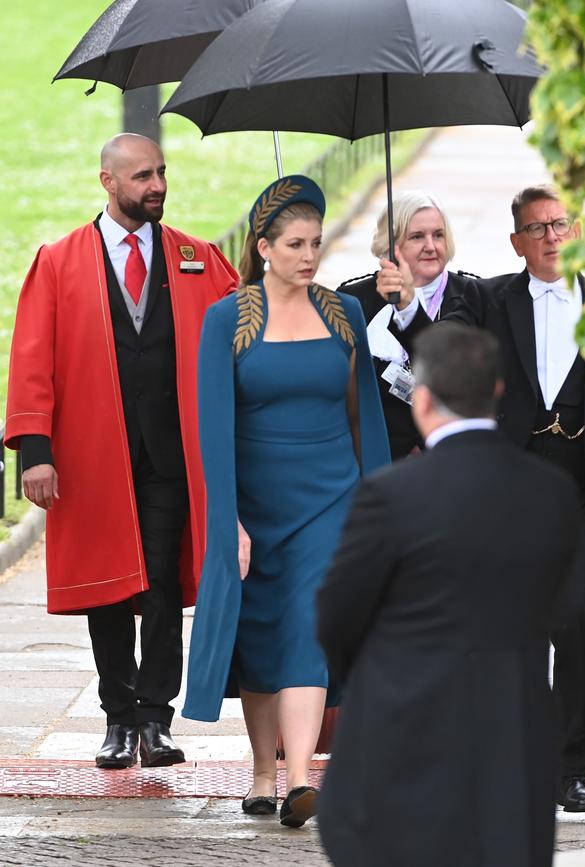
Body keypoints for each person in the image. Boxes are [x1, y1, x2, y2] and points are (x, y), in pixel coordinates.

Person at [389, 184, 585, 811]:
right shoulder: (488, 298)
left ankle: (571, 769)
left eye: (561, 225)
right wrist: (405, 307)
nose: (553, 237)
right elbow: (444, 330)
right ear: (517, 242)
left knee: (578, 612)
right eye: (538, 229)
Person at [4, 133, 237, 770]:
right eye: (142, 176)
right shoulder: (59, 261)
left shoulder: (196, 257)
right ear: (108, 182)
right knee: (108, 591)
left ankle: (156, 718)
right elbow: (32, 362)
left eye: (161, 173)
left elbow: (247, 330)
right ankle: (117, 717)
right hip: (91, 458)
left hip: (170, 456)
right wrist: (37, 452)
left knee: (160, 583)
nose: (157, 185)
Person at [316, 323, 580, 867]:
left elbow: (336, 616)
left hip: (406, 725)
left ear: (424, 399)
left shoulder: (391, 493)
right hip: (515, 729)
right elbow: (560, 601)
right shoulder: (550, 493)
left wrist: (382, 675)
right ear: (498, 393)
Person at [181, 175, 390, 828]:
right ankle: (263, 770)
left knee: (309, 623)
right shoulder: (228, 319)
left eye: (317, 243)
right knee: (262, 634)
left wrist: (379, 505)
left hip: (331, 497)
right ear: (263, 247)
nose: (309, 256)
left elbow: (367, 418)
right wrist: (229, 521)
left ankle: (300, 775)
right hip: (255, 503)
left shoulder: (343, 314)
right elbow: (212, 430)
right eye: (296, 244)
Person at [338, 190, 475, 458]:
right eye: (416, 237)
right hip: (377, 460)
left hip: (451, 460)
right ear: (390, 245)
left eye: (438, 235)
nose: (431, 246)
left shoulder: (473, 295)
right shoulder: (353, 300)